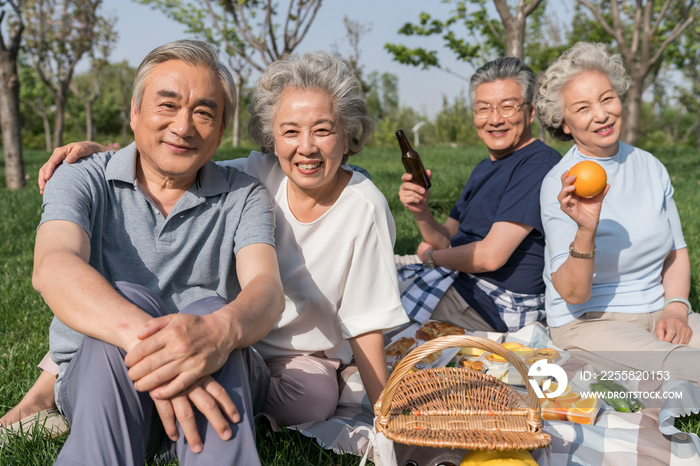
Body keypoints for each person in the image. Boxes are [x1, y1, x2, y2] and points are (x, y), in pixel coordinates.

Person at [4, 51, 408, 431]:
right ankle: (46, 390)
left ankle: (217, 405)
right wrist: (104, 157)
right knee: (127, 288)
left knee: (314, 401)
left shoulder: (361, 206)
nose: (306, 147)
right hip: (218, 328)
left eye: (323, 130)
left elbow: (366, 323)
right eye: (290, 131)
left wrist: (384, 417)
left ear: (347, 134)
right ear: (272, 136)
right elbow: (169, 157)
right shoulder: (257, 173)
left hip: (283, 349)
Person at [17, 39, 287, 465]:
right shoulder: (83, 178)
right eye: (168, 105)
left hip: (219, 371)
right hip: (101, 378)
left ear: (220, 131)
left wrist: (214, 334)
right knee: (122, 303)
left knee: (211, 310)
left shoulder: (244, 196)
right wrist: (160, 347)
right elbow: (53, 265)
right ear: (135, 112)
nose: (183, 126)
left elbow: (266, 287)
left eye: (203, 112)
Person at [535, 42, 700, 383]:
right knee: (690, 368)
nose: (601, 114)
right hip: (589, 323)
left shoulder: (651, 166)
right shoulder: (560, 184)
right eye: (582, 108)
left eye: (607, 98)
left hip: (659, 313)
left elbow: (676, 252)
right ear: (564, 124)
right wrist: (585, 229)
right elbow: (573, 294)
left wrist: (676, 308)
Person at [396, 57, 562, 333]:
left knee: (372, 315)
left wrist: (431, 258)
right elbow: (444, 238)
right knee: (365, 281)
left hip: (495, 302)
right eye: (483, 109)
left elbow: (490, 257)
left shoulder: (538, 164)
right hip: (465, 281)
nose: (495, 119)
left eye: (508, 107)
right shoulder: (485, 167)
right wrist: (421, 211)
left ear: (531, 112)